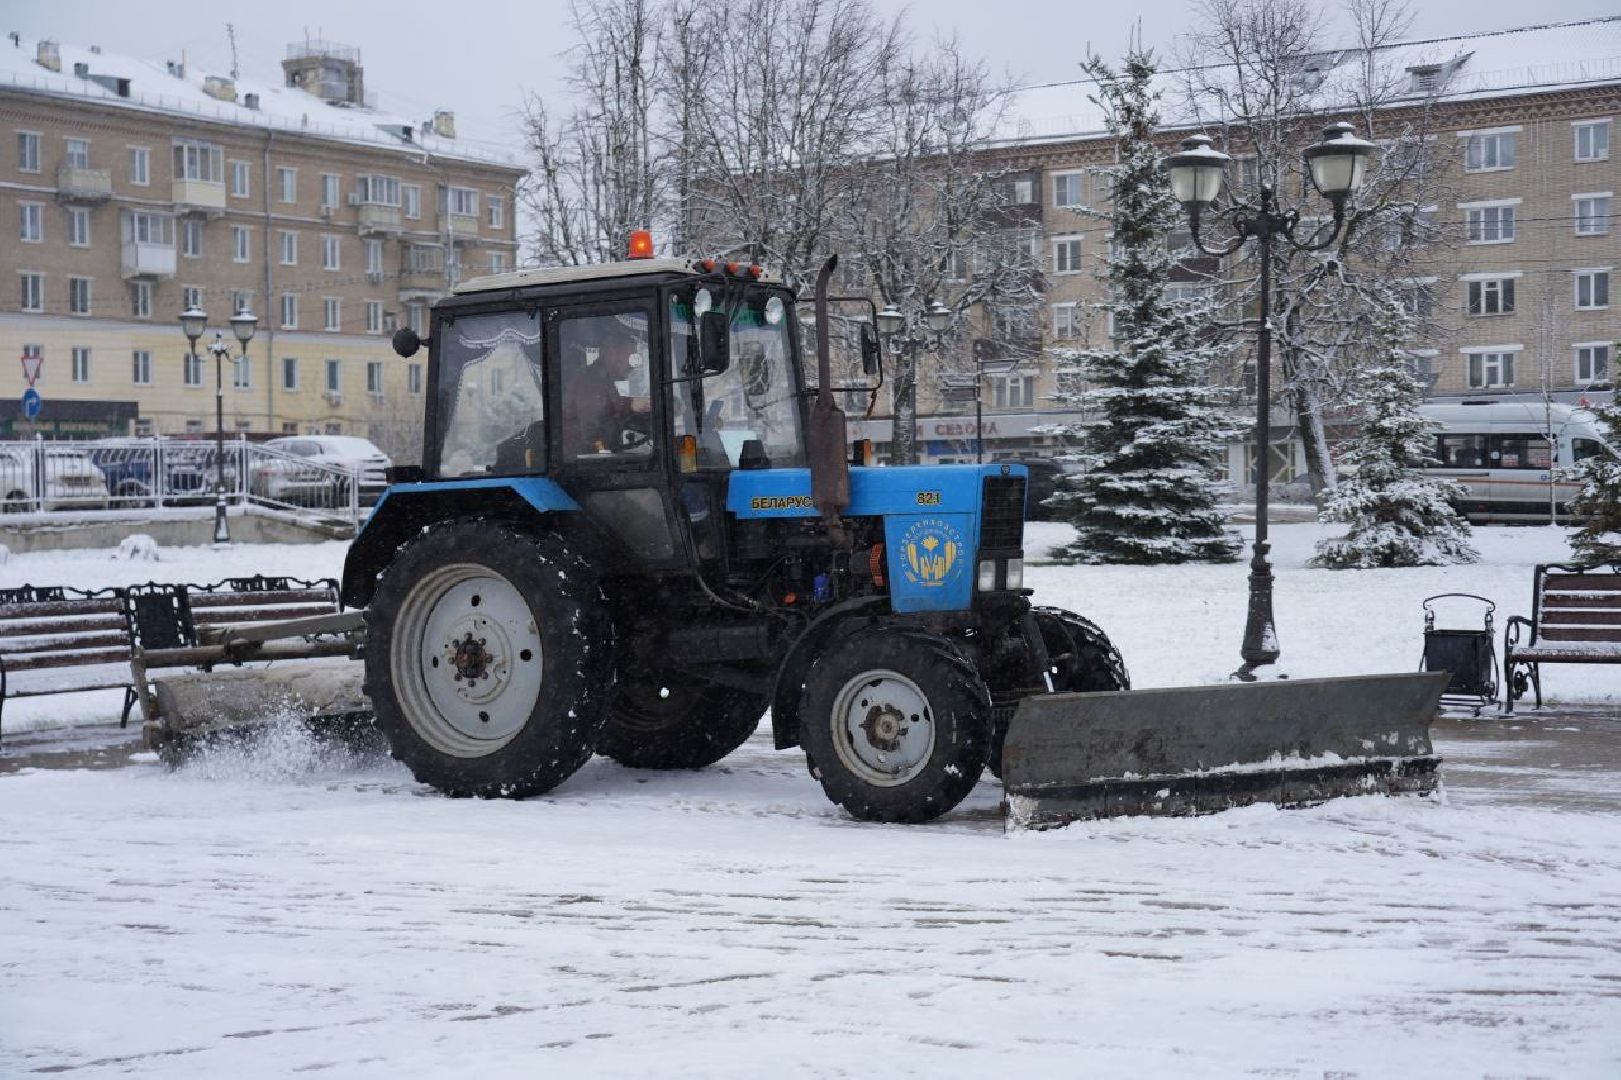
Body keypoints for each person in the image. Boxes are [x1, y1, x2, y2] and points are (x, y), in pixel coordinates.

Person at [560, 317, 651, 456]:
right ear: (612, 353)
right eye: (629, 357)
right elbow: (591, 431)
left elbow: (610, 409)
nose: (631, 367)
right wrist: (603, 453)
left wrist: (640, 408)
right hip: (583, 463)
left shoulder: (602, 379)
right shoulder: (591, 380)